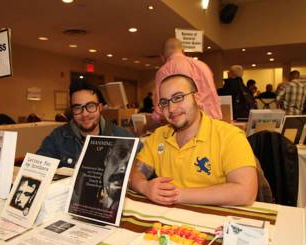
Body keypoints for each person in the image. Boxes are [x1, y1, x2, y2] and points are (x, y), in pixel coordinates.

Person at [129, 74, 257, 206]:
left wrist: (176, 195)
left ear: (197, 98)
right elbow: (136, 172)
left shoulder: (229, 136)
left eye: (178, 98)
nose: (171, 109)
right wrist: (145, 187)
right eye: (164, 103)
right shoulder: (159, 136)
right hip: (169, 221)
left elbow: (245, 192)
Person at [36, 81, 134, 168]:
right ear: (72, 110)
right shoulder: (58, 137)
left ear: (100, 107)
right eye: (78, 108)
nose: (85, 114)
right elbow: (37, 168)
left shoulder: (123, 137)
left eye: (90, 106)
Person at [153, 38, 222, 121]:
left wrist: (155, 119)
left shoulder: (164, 70)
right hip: (213, 122)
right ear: (183, 51)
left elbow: (161, 109)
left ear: (162, 56)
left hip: (189, 125)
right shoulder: (202, 65)